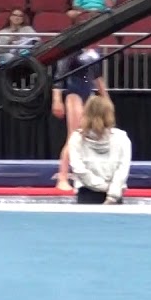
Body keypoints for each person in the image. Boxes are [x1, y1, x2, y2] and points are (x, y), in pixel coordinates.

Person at [51, 43, 107, 192]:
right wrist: (56, 100)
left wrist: (106, 98)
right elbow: (59, 76)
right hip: (74, 93)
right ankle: (62, 178)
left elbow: (97, 76)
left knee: (89, 136)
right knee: (73, 137)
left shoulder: (95, 51)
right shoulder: (73, 50)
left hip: (88, 94)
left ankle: (83, 176)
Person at [65, 95, 131, 205]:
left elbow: (79, 170)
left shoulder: (76, 138)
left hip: (87, 195)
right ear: (110, 114)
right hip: (114, 194)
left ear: (85, 113)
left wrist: (105, 189)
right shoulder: (122, 138)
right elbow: (122, 169)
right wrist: (112, 193)